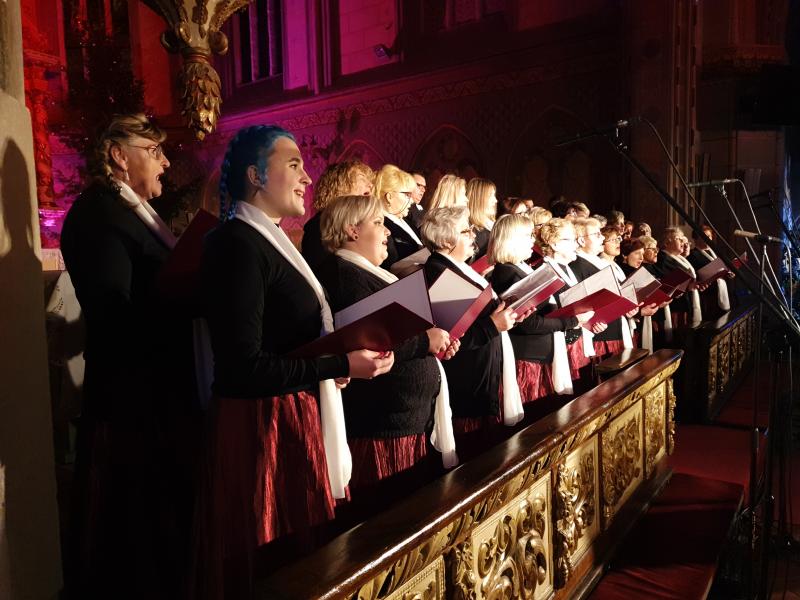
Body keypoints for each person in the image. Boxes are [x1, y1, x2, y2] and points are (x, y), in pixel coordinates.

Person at [197, 125, 394, 598]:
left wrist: (336, 362)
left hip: (288, 414)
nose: (308, 177)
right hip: (263, 426)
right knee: (278, 566)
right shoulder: (239, 244)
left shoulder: (270, 240)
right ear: (255, 175)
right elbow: (243, 367)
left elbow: (289, 340)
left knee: (305, 561)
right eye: (293, 165)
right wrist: (337, 364)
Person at [60, 113, 195, 599]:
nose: (164, 161)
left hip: (152, 391)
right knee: (130, 536)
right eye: (153, 151)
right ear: (119, 156)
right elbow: (113, 312)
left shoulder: (131, 211)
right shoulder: (101, 214)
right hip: (131, 401)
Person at [318, 194, 459, 491]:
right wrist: (425, 342)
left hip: (403, 422)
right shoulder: (346, 275)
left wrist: (437, 342)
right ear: (352, 230)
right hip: (383, 430)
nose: (388, 232)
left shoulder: (370, 273)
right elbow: (371, 341)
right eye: (379, 223)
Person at [420, 206, 524, 458]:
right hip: (467, 381)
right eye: (466, 231)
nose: (474, 237)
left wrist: (510, 315)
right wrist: (493, 324)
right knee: (476, 458)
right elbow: (453, 339)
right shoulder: (438, 272)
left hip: (482, 373)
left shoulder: (458, 267)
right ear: (445, 240)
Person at [489, 215, 597, 415]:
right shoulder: (507, 272)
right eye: (528, 235)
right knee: (538, 419)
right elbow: (528, 324)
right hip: (529, 358)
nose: (533, 240)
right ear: (512, 239)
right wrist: (572, 321)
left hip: (541, 355)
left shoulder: (520, 268)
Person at [536, 218, 607, 386]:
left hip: (576, 344)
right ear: (554, 244)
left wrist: (592, 323)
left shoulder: (568, 268)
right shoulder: (545, 271)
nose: (576, 245)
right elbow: (550, 315)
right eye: (571, 240)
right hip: (559, 349)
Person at [571, 224, 640, 359]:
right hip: (600, 333)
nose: (602, 237)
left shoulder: (598, 262)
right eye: (597, 234)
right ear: (581, 241)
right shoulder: (578, 265)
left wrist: (627, 308)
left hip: (614, 326)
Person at [301, 160, 374, 270]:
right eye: (361, 179)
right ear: (339, 188)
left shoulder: (359, 221)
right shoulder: (318, 227)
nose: (370, 188)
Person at [374, 164, 425, 269]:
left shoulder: (406, 221)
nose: (411, 201)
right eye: (407, 195)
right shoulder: (382, 225)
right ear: (389, 197)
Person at [655, 226, 707, 326]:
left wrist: (698, 284)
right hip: (674, 309)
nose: (683, 242)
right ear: (667, 242)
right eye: (679, 239)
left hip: (687, 304)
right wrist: (688, 286)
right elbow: (668, 284)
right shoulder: (662, 260)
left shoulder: (680, 258)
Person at [688, 225, 733, 318]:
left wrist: (730, 273)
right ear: (696, 239)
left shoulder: (716, 251)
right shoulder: (692, 255)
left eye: (709, 236)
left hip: (723, 289)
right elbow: (693, 276)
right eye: (704, 237)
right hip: (707, 295)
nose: (708, 239)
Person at [466, 177, 498, 259]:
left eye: (494, 195)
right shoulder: (469, 229)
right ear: (478, 198)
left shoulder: (492, 225)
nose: (495, 201)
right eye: (490, 196)